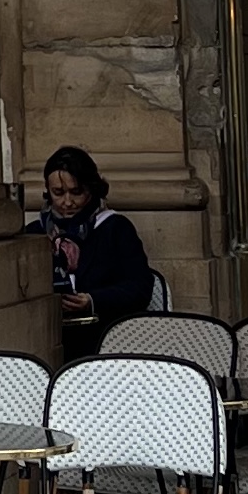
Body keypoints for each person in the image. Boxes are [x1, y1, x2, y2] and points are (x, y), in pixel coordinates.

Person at [39, 147, 153, 346]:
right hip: (47, 336)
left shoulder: (115, 228)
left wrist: (92, 300)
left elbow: (140, 287)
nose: (67, 202)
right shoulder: (36, 232)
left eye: (76, 192)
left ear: (91, 188)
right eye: (58, 193)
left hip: (104, 337)